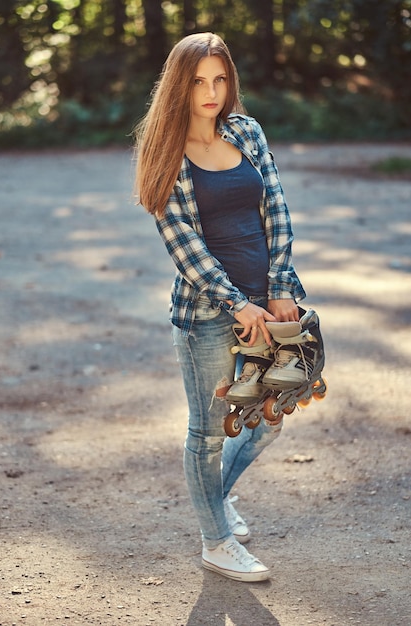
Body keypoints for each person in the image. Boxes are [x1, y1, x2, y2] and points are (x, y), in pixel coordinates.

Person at [134, 32, 306, 583]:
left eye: (220, 79)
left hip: (269, 305)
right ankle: (216, 540)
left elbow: (276, 209)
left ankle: (215, 499)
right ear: (178, 87)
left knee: (269, 419)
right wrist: (235, 303)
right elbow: (184, 243)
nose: (211, 92)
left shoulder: (247, 132)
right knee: (208, 432)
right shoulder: (166, 152)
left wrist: (279, 288)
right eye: (198, 81)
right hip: (207, 316)